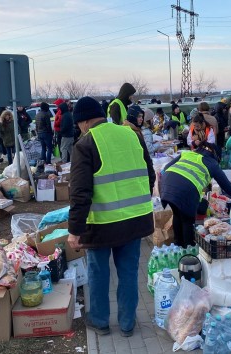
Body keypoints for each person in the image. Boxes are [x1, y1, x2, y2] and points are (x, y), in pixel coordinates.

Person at [67, 96, 155, 338]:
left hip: (102, 225)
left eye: (78, 125)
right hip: (135, 220)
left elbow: (80, 193)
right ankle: (128, 324)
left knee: (98, 273)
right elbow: (150, 175)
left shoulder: (85, 144)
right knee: (128, 273)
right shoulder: (132, 135)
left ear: (84, 122)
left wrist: (74, 230)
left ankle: (99, 321)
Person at [160, 142, 231, 248]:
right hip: (186, 189)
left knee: (178, 214)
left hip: (167, 184)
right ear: (216, 155)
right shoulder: (212, 163)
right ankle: (189, 250)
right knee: (187, 220)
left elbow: (165, 168)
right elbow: (228, 187)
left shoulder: (187, 153)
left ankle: (178, 246)